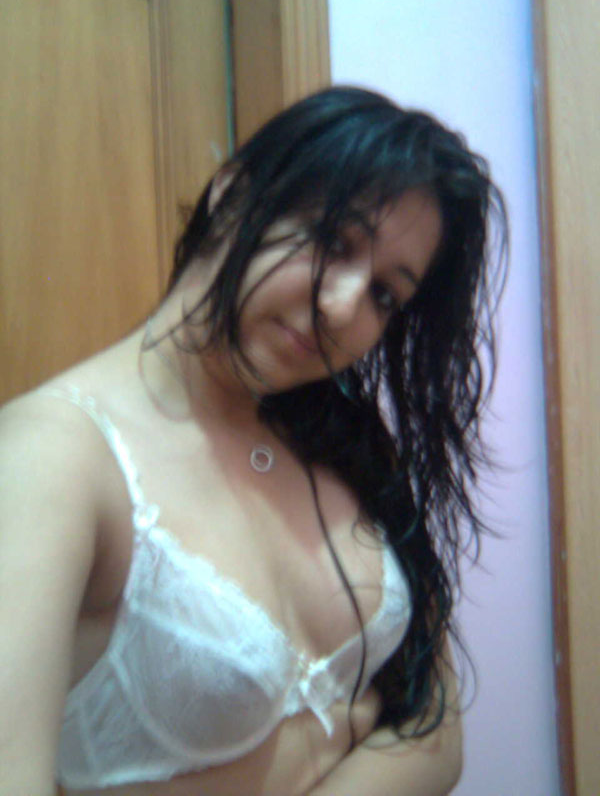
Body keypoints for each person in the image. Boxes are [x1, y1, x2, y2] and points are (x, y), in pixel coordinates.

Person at [0, 86, 507, 796]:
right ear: (232, 195)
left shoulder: (348, 442)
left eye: (384, 295)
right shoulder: (53, 460)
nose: (343, 309)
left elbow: (435, 728)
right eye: (332, 241)